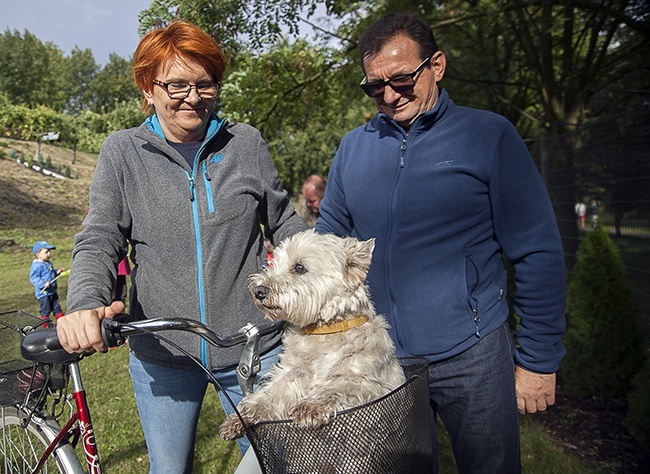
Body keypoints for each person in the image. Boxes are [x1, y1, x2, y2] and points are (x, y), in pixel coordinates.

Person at [314, 12, 566, 473]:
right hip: (380, 354)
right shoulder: (353, 147)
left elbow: (537, 251)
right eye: (374, 87)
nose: (389, 96)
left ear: (437, 65)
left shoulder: (488, 136)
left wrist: (538, 360)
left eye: (402, 79)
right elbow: (327, 237)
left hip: (472, 351)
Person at [56, 21, 306, 474]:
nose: (192, 97)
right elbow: (99, 237)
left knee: (275, 463)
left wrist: (322, 273)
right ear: (148, 88)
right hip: (164, 353)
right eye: (176, 84)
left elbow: (285, 221)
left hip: (255, 347)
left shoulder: (245, 143)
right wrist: (85, 304)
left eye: (204, 83)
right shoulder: (122, 152)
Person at [29, 240, 65, 327]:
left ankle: (63, 324)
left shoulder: (48, 263)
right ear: (38, 254)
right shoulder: (36, 266)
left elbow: (50, 273)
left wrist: (57, 272)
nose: (49, 254)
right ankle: (45, 327)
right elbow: (33, 278)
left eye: (49, 251)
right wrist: (43, 284)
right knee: (46, 310)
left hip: (52, 291)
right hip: (44, 294)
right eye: (46, 252)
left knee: (57, 308)